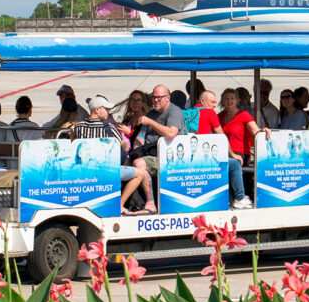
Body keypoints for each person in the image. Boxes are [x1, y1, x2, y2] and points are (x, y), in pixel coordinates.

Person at [77, 95, 152, 215]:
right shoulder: (109, 128)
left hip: (86, 170)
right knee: (139, 173)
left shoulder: (79, 127)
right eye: (106, 109)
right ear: (97, 110)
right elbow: (124, 148)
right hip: (106, 169)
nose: (109, 112)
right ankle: (121, 204)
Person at [130, 84, 185, 213]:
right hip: (150, 153)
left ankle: (150, 203)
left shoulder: (174, 112)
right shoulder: (152, 113)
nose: (156, 100)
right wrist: (134, 152)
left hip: (168, 156)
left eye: (159, 97)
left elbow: (171, 133)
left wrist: (150, 122)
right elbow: (142, 136)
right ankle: (130, 204)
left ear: (168, 98)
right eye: (154, 97)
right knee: (130, 163)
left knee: (139, 164)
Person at [194, 90, 252, 209]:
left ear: (237, 100)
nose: (214, 105)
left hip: (194, 157)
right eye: (212, 102)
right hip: (205, 158)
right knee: (235, 164)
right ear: (203, 101)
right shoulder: (211, 114)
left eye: (216, 102)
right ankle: (240, 198)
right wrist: (232, 154)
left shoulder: (189, 112)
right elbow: (221, 136)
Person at [219, 88, 269, 166]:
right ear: (222, 101)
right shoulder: (220, 117)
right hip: (223, 153)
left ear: (237, 101)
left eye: (232, 98)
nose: (229, 101)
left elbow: (256, 132)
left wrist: (263, 131)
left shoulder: (244, 115)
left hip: (240, 154)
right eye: (226, 99)